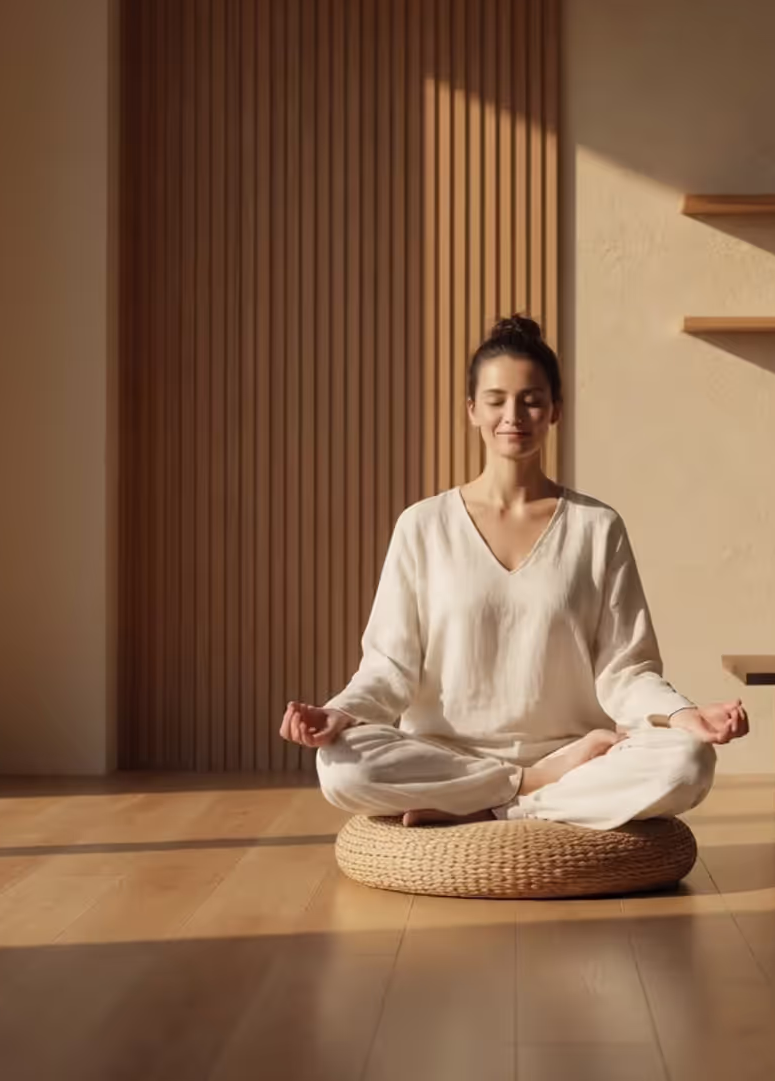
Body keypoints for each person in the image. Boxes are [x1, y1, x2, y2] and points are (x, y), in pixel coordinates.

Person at [276, 316, 748, 830]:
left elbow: (626, 670)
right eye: (496, 399)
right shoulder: (423, 525)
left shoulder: (597, 527)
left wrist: (686, 716)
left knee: (689, 762)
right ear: (472, 410)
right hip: (449, 756)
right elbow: (389, 667)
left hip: (580, 753)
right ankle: (529, 789)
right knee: (342, 765)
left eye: (532, 399)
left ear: (555, 412)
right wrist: (338, 713)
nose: (513, 415)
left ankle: (495, 806)